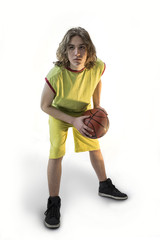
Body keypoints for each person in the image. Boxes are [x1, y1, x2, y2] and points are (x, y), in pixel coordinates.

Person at [41, 27, 128, 229]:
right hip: (60, 114)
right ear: (65, 51)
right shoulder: (56, 75)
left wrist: (96, 106)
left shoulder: (96, 66)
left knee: (94, 148)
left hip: (84, 113)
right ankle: (53, 202)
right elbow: (45, 105)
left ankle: (104, 185)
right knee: (56, 154)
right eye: (71, 48)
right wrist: (72, 121)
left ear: (89, 50)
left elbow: (97, 81)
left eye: (81, 47)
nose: (77, 53)